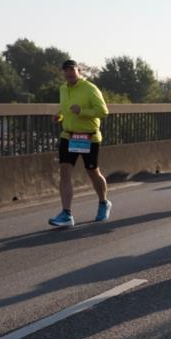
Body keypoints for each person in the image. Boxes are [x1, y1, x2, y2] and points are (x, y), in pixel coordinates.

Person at [49, 60, 111, 228]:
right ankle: (66, 214)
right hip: (69, 136)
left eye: (72, 70)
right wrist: (59, 116)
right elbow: (66, 109)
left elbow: (103, 112)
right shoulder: (63, 89)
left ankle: (103, 202)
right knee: (65, 172)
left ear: (79, 70)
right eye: (66, 71)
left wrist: (82, 112)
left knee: (93, 172)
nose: (69, 73)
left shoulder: (90, 89)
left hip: (88, 137)